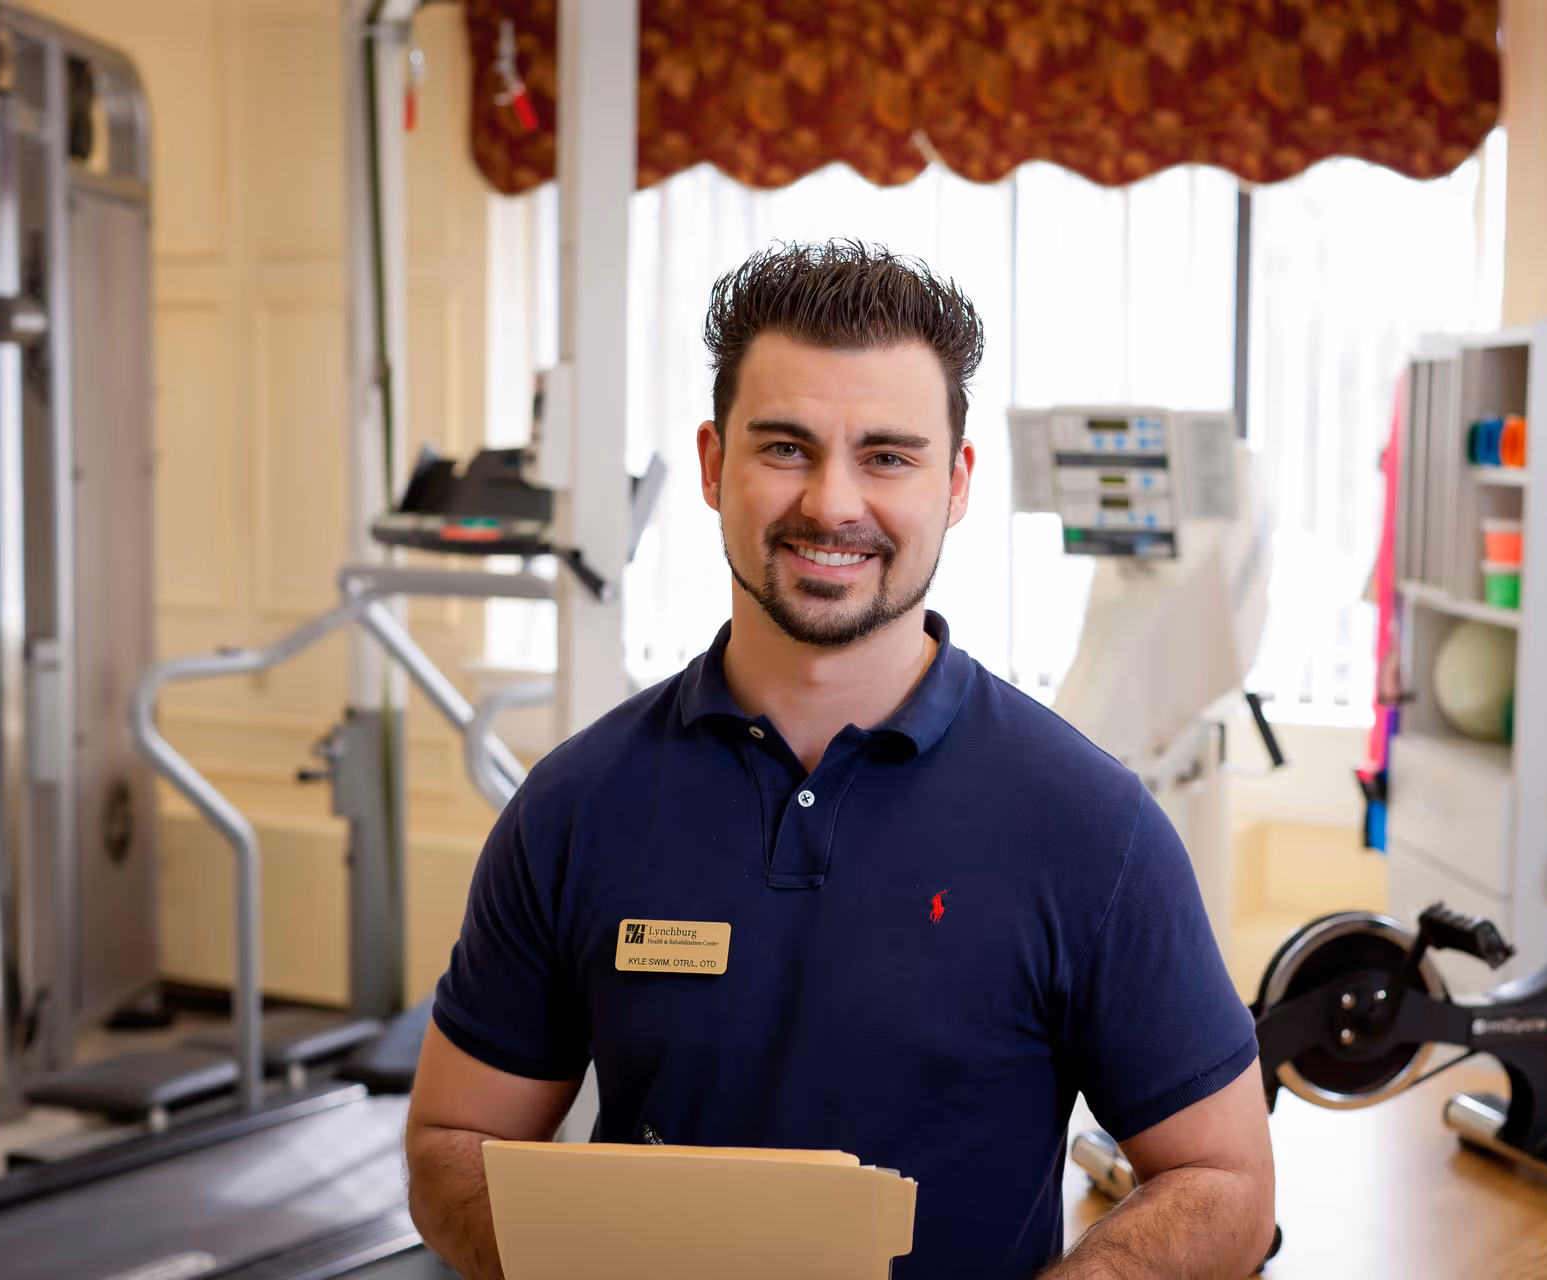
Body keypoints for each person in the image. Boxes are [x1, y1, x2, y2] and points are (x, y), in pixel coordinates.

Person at [405, 240, 1276, 1278]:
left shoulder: (1091, 825)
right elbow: (450, 1143)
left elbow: (1225, 1180)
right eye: (784, 447)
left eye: (888, 455)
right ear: (712, 463)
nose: (832, 503)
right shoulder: (574, 804)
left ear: (955, 482)